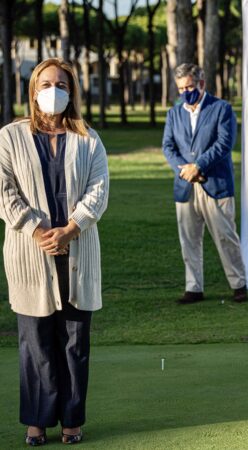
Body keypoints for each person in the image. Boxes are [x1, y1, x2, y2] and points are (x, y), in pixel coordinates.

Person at [0, 58, 109, 446]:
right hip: (31, 255)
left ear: (72, 91)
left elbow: (99, 191)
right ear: (33, 90)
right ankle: (37, 420)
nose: (53, 90)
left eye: (61, 83)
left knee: (74, 342)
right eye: (46, 83)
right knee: (36, 342)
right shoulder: (10, 136)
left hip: (78, 253)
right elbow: (5, 191)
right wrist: (38, 229)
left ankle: (71, 419)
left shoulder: (88, 138)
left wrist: (70, 229)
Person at [162, 63, 248, 304]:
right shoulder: (174, 113)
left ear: (201, 83)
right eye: (181, 88)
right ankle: (194, 288)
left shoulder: (222, 109)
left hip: (216, 183)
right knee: (189, 239)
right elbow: (168, 146)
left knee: (225, 236)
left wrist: (198, 166)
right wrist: (184, 171)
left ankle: (238, 283)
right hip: (185, 186)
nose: (185, 91)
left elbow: (224, 144)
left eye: (189, 86)